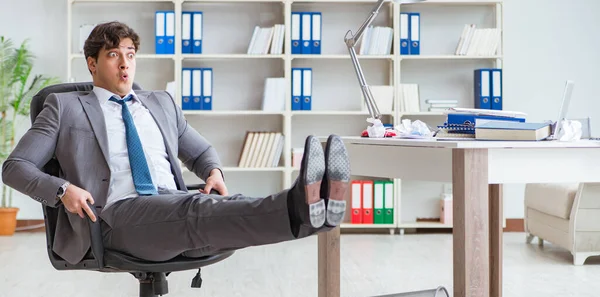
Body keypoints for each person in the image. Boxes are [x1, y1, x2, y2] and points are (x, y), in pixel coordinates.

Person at [1, 21, 350, 265]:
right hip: (113, 216)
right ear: (92, 63)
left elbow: (199, 151)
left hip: (172, 206)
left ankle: (310, 217)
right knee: (197, 210)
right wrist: (63, 190)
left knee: (210, 206)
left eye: (131, 53)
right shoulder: (65, 107)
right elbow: (15, 168)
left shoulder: (160, 103)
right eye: (113, 54)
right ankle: (299, 209)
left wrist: (213, 171)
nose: (125, 63)